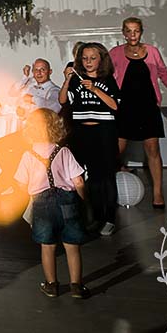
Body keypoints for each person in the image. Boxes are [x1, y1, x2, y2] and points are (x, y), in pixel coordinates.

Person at [108, 18, 167, 210]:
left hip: (148, 106)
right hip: (124, 107)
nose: (132, 35)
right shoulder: (116, 53)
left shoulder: (152, 51)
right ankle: (108, 192)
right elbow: (106, 75)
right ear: (123, 33)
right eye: (128, 31)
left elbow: (164, 73)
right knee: (114, 151)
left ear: (141, 32)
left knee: (152, 150)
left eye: (136, 31)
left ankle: (158, 193)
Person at [15, 108, 89, 299]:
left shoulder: (28, 155)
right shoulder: (63, 151)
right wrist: (82, 200)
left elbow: (21, 184)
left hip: (41, 202)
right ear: (56, 127)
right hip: (67, 200)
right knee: (72, 246)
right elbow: (79, 181)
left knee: (47, 247)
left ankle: (51, 285)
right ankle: (76, 286)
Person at [60, 42, 121, 236]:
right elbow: (62, 100)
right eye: (84, 58)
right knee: (88, 178)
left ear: (101, 59)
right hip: (81, 132)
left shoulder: (108, 79)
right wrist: (67, 80)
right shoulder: (77, 80)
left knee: (106, 177)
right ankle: (93, 217)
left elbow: (115, 105)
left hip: (104, 132)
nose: (88, 62)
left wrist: (95, 89)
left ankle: (109, 218)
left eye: (92, 58)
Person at [0, 59, 62, 202]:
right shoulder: (30, 86)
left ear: (50, 72)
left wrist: (33, 99)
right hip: (27, 131)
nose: (38, 73)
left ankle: (8, 184)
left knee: (14, 151)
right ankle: (13, 179)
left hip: (42, 136)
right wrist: (25, 78)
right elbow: (13, 92)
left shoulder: (54, 90)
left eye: (42, 69)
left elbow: (54, 108)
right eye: (36, 70)